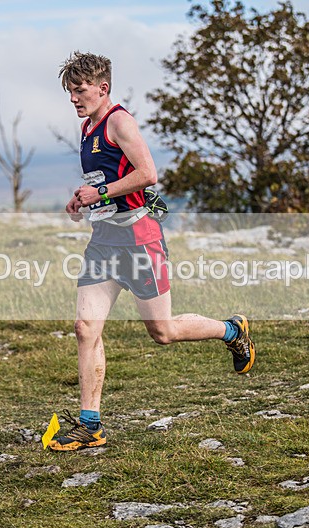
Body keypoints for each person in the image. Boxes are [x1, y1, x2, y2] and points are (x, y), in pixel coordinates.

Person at [48, 51, 255, 452]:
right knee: (85, 328)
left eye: (80, 90)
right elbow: (106, 177)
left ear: (102, 88)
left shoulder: (119, 122)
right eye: (70, 92)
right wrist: (83, 198)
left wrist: (102, 192)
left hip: (141, 239)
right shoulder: (88, 126)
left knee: (163, 332)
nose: (73, 98)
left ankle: (232, 330)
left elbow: (148, 174)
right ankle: (90, 425)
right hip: (105, 240)